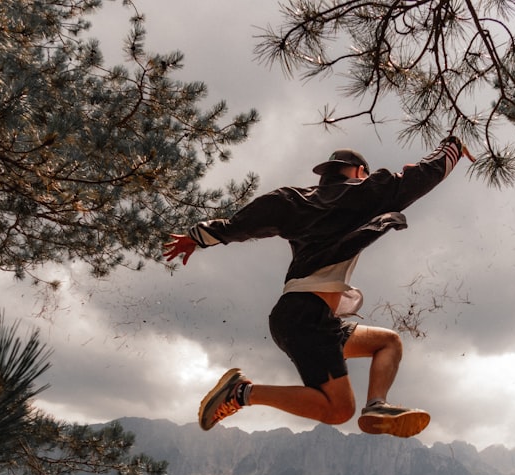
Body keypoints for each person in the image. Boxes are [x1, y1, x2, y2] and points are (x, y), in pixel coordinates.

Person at [163, 135, 468, 438]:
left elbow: (243, 224)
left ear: (327, 174)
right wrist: (451, 148)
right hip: (305, 316)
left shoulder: (294, 200)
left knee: (387, 342)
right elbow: (417, 179)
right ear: (359, 171)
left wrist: (200, 237)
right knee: (339, 410)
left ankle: (376, 404)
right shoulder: (365, 192)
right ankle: (242, 392)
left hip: (308, 317)